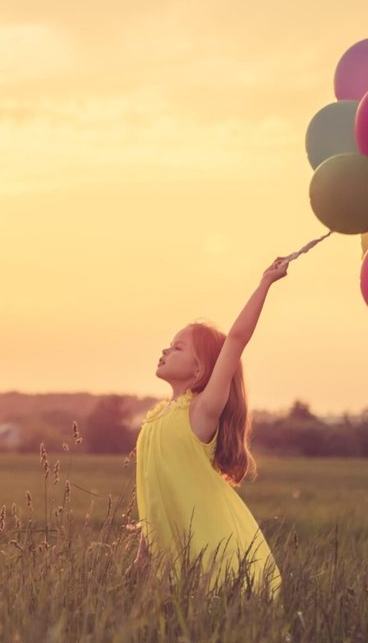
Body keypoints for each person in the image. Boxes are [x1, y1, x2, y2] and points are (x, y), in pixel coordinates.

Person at [133, 256, 288, 597]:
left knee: (216, 607)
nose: (165, 350)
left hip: (211, 546)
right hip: (171, 558)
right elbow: (153, 495)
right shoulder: (154, 420)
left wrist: (264, 283)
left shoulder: (201, 411)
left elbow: (236, 340)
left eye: (178, 347)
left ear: (200, 368)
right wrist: (142, 555)